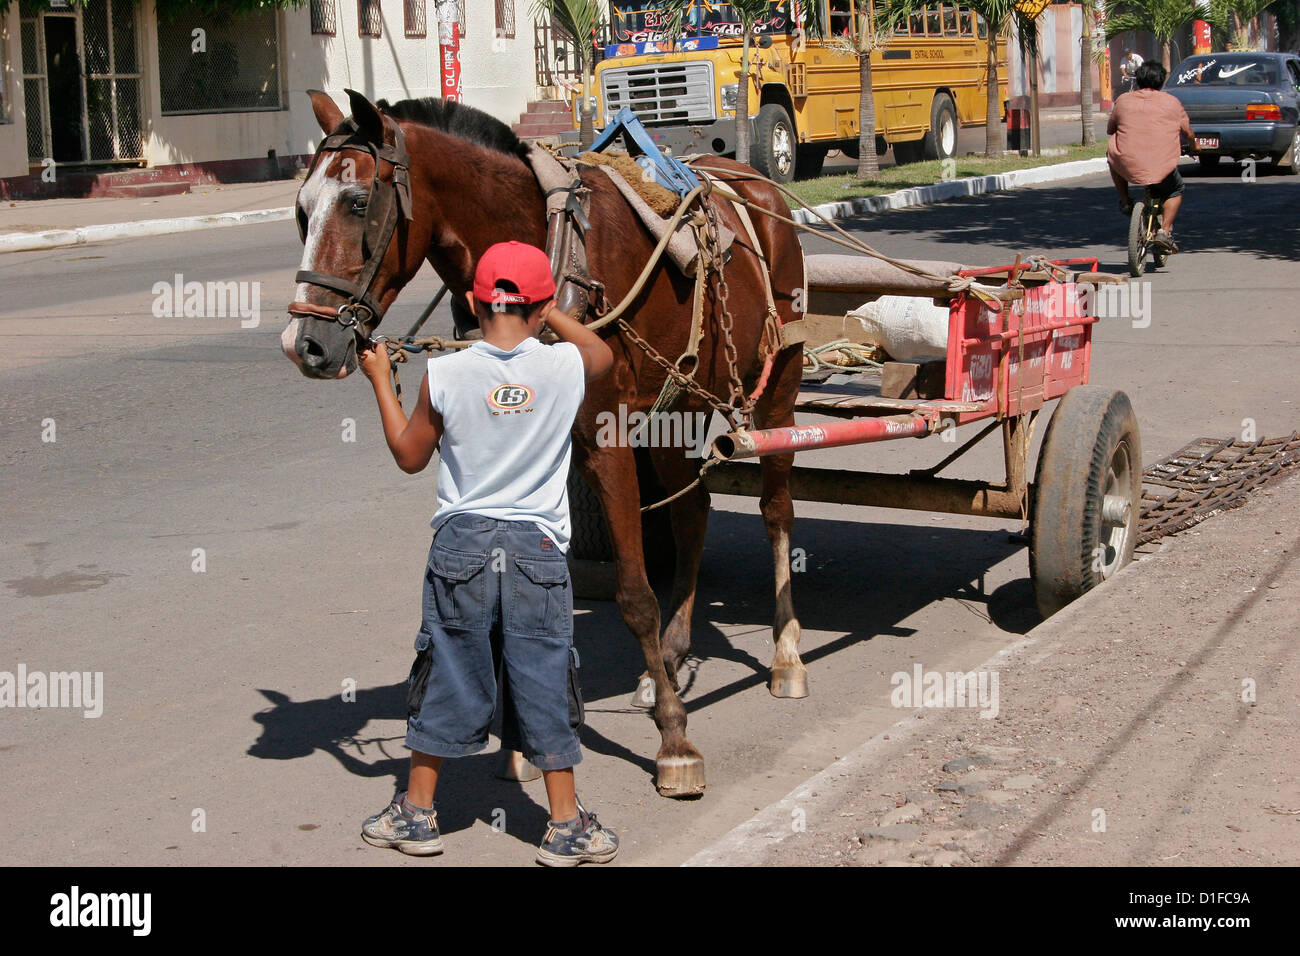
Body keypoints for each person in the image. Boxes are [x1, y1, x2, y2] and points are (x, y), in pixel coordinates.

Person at [356, 240, 617, 866]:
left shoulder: (445, 374)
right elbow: (602, 354)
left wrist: (379, 382)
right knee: (544, 675)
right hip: (536, 552)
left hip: (462, 547)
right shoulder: (561, 368)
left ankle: (418, 814)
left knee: (447, 667)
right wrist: (551, 309)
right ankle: (565, 827)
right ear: (541, 305)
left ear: (473, 303)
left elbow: (409, 455)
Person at [1107, 60, 1198, 253]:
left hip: (1126, 163)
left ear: (1138, 80)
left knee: (1112, 157)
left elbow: (1110, 129)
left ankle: (1125, 201)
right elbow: (1188, 133)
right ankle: (1164, 232)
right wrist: (1194, 146)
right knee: (1175, 189)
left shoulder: (1123, 100)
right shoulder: (1172, 102)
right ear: (1161, 81)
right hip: (1161, 164)